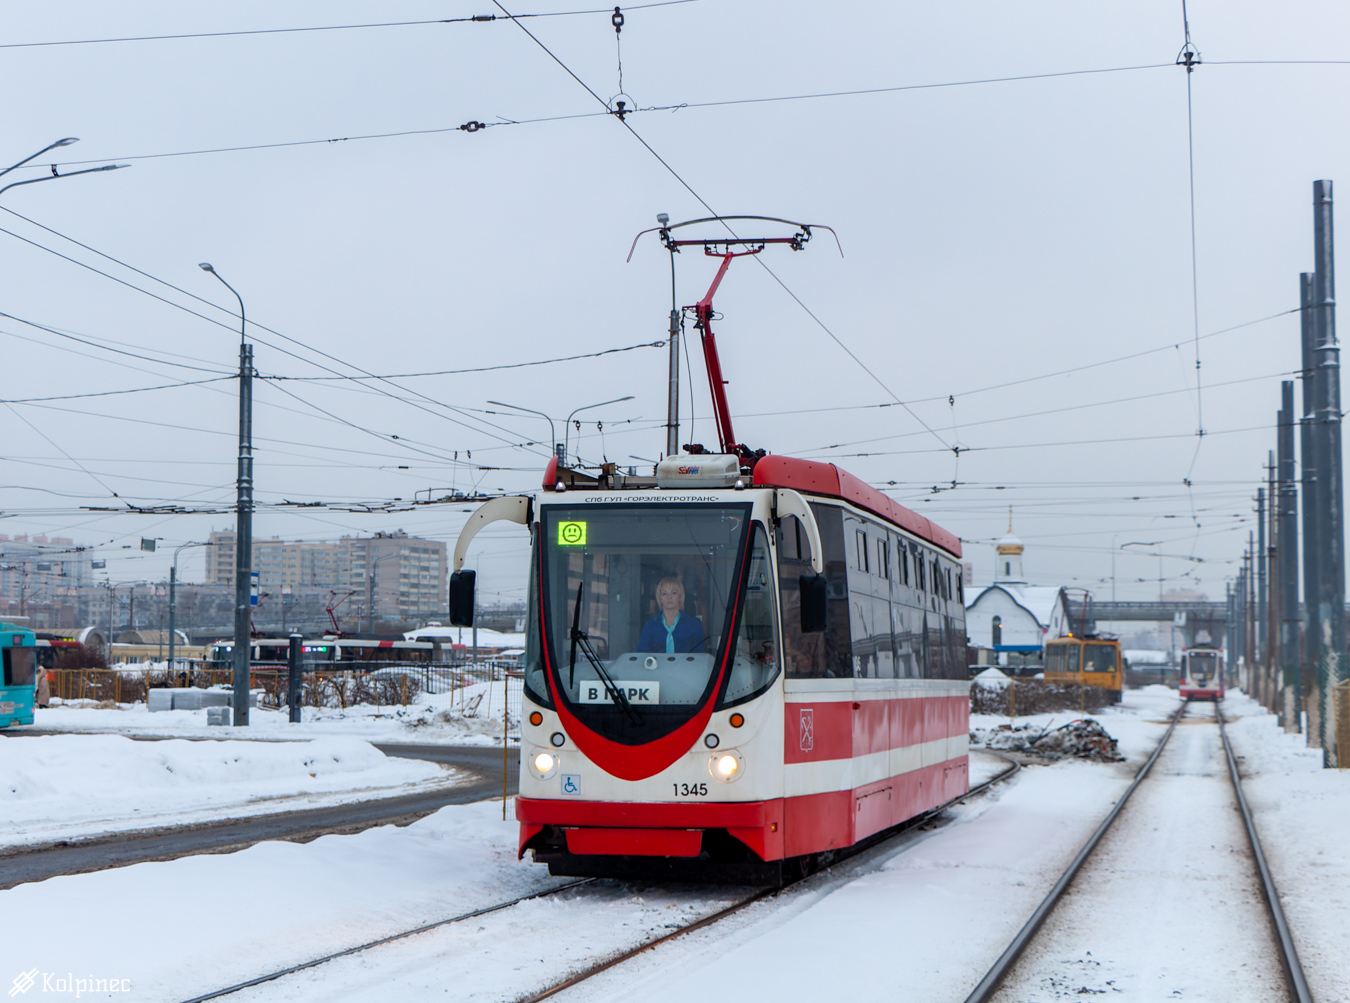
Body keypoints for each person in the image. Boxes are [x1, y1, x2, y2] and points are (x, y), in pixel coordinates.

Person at [638, 577, 707, 653]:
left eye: (673, 593)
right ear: (660, 598)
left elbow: (700, 657)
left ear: (680, 597)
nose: (669, 597)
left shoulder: (694, 626)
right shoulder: (649, 627)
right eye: (664, 593)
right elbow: (642, 656)